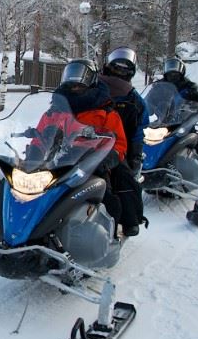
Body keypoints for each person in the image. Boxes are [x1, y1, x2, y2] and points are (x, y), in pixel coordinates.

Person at [48, 59, 129, 227]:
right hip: (58, 162)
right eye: (71, 76)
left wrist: (106, 160)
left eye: (80, 78)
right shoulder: (56, 110)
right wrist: (33, 152)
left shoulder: (106, 113)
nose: (75, 84)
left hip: (92, 164)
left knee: (106, 193)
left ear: (91, 81)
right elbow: (42, 135)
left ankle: (110, 229)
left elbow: (119, 144)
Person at [98, 47, 148, 236]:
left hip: (118, 146)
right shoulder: (93, 88)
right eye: (116, 67)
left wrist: (135, 154)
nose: (119, 72)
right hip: (84, 141)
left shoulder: (134, 99)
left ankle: (129, 219)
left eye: (124, 69)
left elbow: (139, 128)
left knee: (124, 176)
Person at [162, 56, 198, 164]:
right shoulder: (159, 86)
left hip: (183, 123)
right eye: (170, 68)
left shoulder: (189, 87)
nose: (172, 73)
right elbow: (148, 101)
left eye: (175, 68)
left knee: (191, 137)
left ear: (181, 70)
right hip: (162, 122)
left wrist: (195, 102)